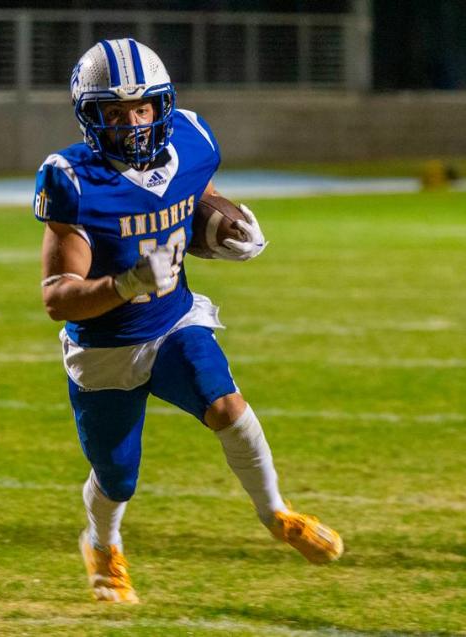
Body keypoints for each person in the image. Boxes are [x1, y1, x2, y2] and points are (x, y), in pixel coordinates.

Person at [34, 39, 343, 604]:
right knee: (117, 474)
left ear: (163, 104)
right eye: (116, 112)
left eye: (144, 108)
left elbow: (196, 200)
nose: (133, 123)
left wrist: (225, 231)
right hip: (103, 348)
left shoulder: (194, 142)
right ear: (90, 116)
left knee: (226, 404)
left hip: (174, 323)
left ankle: (278, 514)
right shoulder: (71, 180)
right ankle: (103, 543)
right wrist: (127, 283)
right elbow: (58, 297)